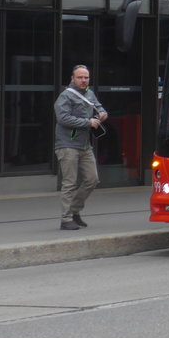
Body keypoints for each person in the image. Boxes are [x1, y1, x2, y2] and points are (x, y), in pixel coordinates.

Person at [53, 65, 107, 230]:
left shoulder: (89, 93)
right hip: (67, 145)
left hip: (84, 145)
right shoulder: (65, 96)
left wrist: (102, 113)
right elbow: (63, 118)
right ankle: (66, 219)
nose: (83, 80)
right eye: (80, 77)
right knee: (69, 183)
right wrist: (87, 122)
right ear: (72, 78)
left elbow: (98, 106)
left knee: (92, 180)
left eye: (86, 77)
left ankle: (74, 211)